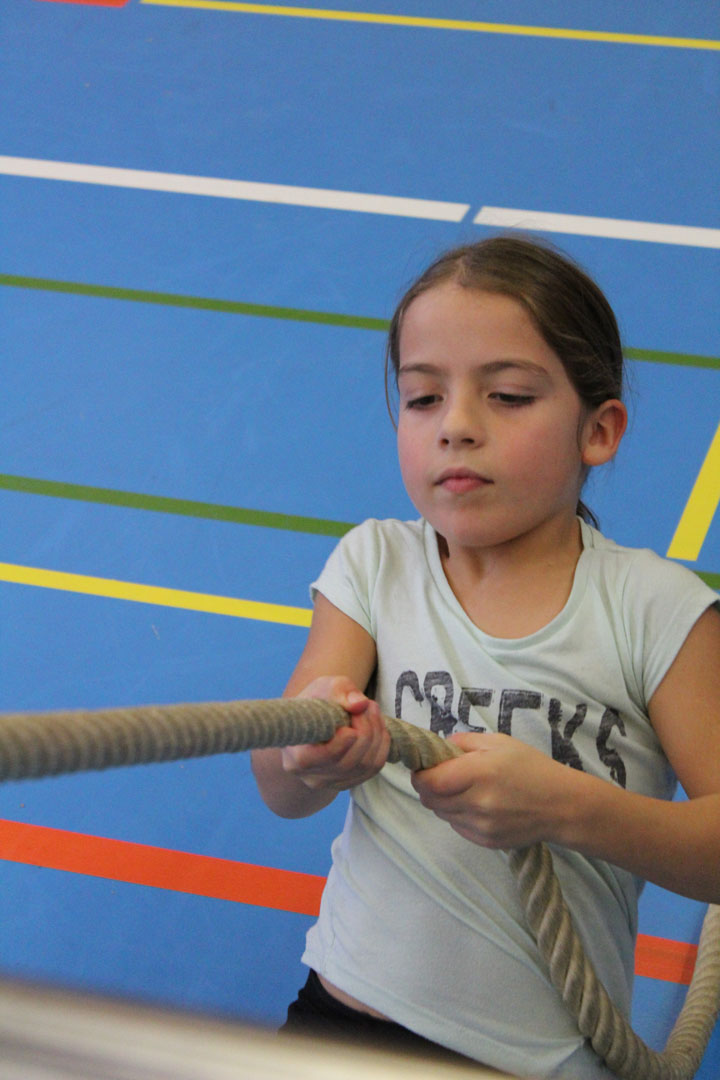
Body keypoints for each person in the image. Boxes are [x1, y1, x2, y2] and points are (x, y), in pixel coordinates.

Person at [251, 237, 720, 1079]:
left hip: (545, 1061)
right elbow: (279, 789)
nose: (457, 426)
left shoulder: (655, 609)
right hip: (343, 1025)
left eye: (506, 396)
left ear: (599, 430)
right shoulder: (374, 566)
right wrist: (308, 757)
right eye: (423, 397)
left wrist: (567, 808)